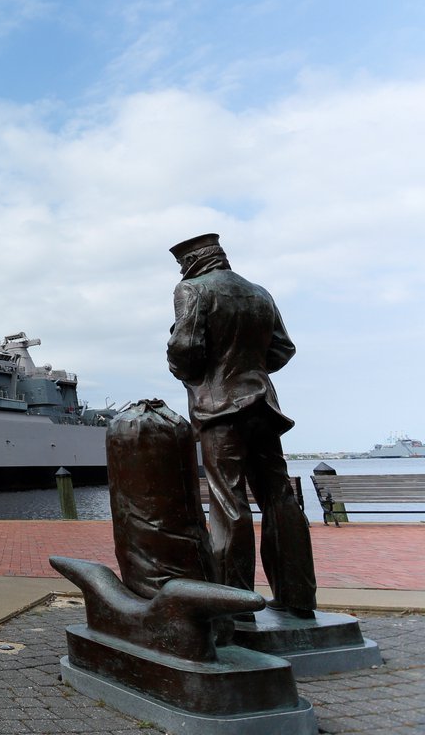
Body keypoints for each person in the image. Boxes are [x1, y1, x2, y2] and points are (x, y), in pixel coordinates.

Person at [166, 233, 317, 617]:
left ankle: (233, 608)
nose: (183, 270)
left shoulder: (191, 290)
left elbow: (185, 351)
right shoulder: (260, 293)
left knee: (228, 502)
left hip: (220, 411)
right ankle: (298, 599)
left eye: (184, 263)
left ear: (196, 260)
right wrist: (250, 371)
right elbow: (283, 349)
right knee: (279, 496)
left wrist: (200, 374)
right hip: (263, 405)